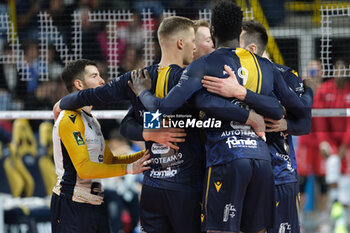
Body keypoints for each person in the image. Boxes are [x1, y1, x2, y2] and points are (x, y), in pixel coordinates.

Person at [53, 15, 269, 233]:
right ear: (181, 43)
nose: (195, 48)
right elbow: (208, 112)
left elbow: (100, 98)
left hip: (152, 189)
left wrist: (63, 102)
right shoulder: (191, 79)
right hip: (186, 189)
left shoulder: (136, 78)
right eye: (194, 41)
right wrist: (248, 116)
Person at [129, 1, 312, 232]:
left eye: (203, 40)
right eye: (195, 40)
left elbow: (171, 110)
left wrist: (144, 96)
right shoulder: (157, 75)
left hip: (218, 166)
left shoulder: (203, 69)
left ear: (213, 36)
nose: (197, 46)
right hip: (186, 178)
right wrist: (147, 130)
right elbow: (129, 124)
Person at [200, 20, 314, 233]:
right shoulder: (226, 75)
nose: (232, 48)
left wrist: (285, 122)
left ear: (252, 49)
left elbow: (305, 121)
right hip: (245, 167)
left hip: (279, 174)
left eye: (237, 42)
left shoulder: (284, 74)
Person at [50, 59, 151, 233]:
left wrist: (146, 154)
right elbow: (85, 170)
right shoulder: (69, 118)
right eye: (95, 76)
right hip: (71, 203)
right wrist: (129, 169)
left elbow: (108, 160)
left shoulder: (92, 119)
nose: (102, 81)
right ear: (79, 84)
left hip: (95, 203)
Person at [313, 59, 350, 233]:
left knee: (346, 181)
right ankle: (336, 214)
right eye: (337, 70)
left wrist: (345, 146)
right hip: (330, 141)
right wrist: (323, 142)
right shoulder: (324, 89)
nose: (339, 73)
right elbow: (319, 118)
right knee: (332, 169)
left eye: (343, 70)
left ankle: (342, 219)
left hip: (347, 142)